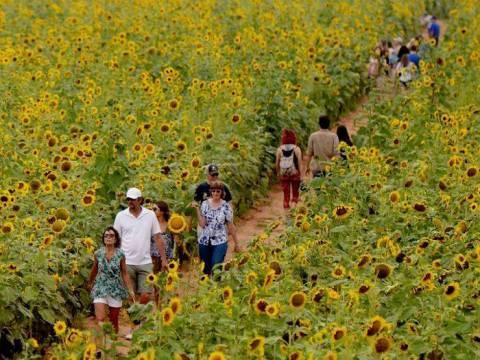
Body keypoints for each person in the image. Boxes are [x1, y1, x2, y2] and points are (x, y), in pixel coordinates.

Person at [113, 188, 168, 303]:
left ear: (140, 200)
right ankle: (137, 319)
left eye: (133, 199)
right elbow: (116, 240)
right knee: (130, 296)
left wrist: (164, 260)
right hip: (127, 262)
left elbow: (158, 237)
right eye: (128, 199)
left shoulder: (150, 215)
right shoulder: (121, 216)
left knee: (146, 296)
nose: (130, 202)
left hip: (145, 262)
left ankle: (140, 316)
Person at [87, 226, 135, 334]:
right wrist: (90, 283)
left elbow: (124, 273)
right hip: (100, 288)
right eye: (106, 236)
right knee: (100, 318)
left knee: (114, 323)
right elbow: (94, 270)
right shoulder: (98, 253)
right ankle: (102, 345)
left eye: (111, 235)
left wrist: (130, 290)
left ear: (116, 239)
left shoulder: (120, 254)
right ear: (103, 239)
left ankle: (112, 343)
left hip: (116, 289)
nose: (108, 237)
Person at [191, 181, 239, 275]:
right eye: (213, 191)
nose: (215, 193)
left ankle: (216, 287)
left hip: (220, 240)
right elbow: (202, 224)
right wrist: (197, 210)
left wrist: (236, 243)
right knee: (205, 268)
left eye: (218, 191)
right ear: (210, 192)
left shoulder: (226, 206)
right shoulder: (205, 204)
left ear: (222, 192)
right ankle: (207, 288)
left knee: (216, 266)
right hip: (204, 240)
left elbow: (230, 225)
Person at [275, 129, 302, 209]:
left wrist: (278, 173)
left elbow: (277, 163)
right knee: (295, 192)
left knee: (286, 192)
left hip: (284, 173)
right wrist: (300, 173)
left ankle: (286, 207)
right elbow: (299, 163)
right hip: (294, 173)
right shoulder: (297, 148)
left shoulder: (279, 149)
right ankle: (294, 206)